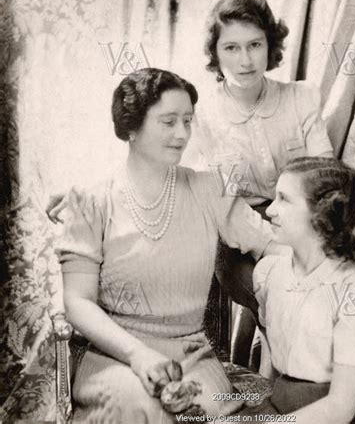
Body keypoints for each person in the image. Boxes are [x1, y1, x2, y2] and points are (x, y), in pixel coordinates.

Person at [193, 0, 355, 422]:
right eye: (231, 47)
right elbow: (229, 213)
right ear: (215, 53)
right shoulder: (202, 119)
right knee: (292, 286)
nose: (245, 60)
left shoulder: (300, 98)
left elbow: (329, 186)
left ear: (270, 45)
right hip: (244, 242)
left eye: (255, 44)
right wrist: (289, 252)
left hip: (313, 222)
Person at [55, 68, 277, 423]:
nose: (182, 134)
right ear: (130, 127)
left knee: (201, 413)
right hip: (111, 354)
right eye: (168, 122)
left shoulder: (211, 189)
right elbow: (77, 301)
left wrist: (344, 262)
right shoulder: (89, 201)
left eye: (187, 121)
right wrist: (138, 355)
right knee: (143, 407)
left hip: (190, 355)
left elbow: (273, 246)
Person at [239, 157, 355, 422]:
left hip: (354, 411)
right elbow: (280, 361)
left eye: (284, 199)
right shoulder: (269, 273)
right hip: (287, 403)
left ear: (321, 215)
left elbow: (340, 408)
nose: (269, 211)